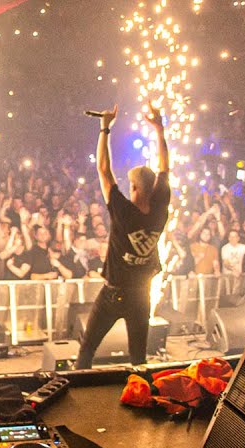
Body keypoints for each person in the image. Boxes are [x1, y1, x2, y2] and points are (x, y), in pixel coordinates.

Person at [76, 101, 171, 369]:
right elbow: (165, 167)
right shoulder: (160, 207)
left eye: (131, 185)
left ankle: (75, 389)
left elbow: (103, 170)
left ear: (135, 189)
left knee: (87, 349)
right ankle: (140, 391)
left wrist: (104, 128)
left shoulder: (123, 212)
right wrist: (160, 130)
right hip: (141, 295)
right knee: (138, 358)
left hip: (113, 294)